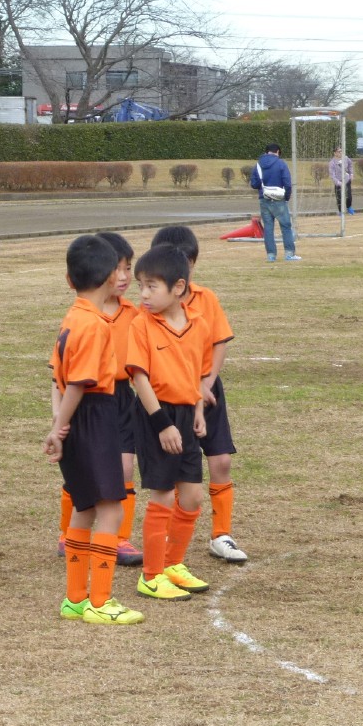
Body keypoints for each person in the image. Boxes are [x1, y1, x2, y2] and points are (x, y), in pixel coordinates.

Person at [46, 235, 144, 625]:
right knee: (110, 510)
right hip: (95, 417)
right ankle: (100, 603)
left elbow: (58, 379)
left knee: (84, 507)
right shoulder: (95, 326)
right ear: (108, 278)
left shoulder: (71, 319)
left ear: (70, 280)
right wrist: (60, 428)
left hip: (80, 420)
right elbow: (77, 384)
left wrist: (60, 424)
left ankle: (75, 600)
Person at [151, 226, 248, 564]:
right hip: (173, 395)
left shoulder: (206, 299)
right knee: (176, 472)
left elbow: (220, 342)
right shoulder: (152, 306)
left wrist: (207, 382)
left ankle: (221, 534)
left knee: (221, 461)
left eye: (187, 264)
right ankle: (169, 537)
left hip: (207, 391)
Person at [126, 245, 213, 602]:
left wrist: (198, 411)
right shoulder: (141, 325)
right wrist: (162, 424)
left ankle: (172, 564)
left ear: (178, 287)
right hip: (155, 416)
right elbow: (139, 378)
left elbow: (195, 373)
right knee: (162, 493)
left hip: (186, 415)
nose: (143, 295)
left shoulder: (199, 324)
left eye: (151, 286)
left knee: (191, 495)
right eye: (141, 287)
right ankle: (150, 576)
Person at [248, 143, 301, 262]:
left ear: (266, 152)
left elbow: (254, 184)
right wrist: (286, 197)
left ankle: (271, 255)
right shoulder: (281, 163)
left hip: (264, 199)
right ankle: (289, 254)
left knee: (268, 228)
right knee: (285, 226)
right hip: (279, 199)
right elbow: (287, 183)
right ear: (277, 152)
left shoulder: (258, 165)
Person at [329, 146, 354, 215]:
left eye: (341, 151)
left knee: (348, 197)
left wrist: (351, 174)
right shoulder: (332, 162)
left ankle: (349, 207)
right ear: (335, 153)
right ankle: (340, 212)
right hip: (339, 182)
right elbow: (332, 175)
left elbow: (350, 165)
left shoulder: (346, 158)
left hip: (347, 180)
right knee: (339, 198)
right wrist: (338, 182)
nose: (341, 153)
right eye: (339, 151)